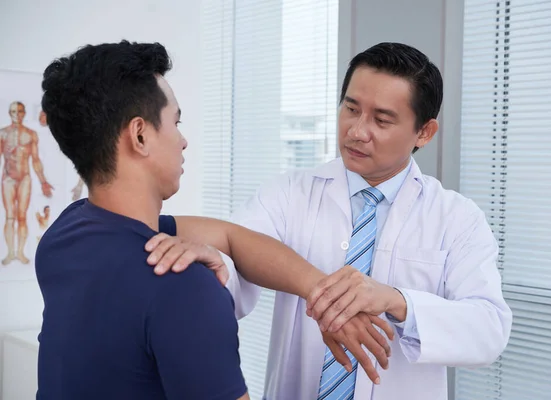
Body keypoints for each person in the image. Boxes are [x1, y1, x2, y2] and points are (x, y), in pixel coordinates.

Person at [150, 42, 513, 400]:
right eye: (351, 109)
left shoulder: (456, 218)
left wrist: (396, 300)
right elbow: (230, 264)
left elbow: (489, 330)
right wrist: (202, 264)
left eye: (382, 120)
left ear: (425, 132)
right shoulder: (288, 194)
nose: (357, 130)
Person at [35, 40, 392, 400]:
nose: (183, 140)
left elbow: (230, 236)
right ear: (140, 135)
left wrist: (324, 294)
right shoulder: (183, 286)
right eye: (175, 122)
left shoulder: (65, 234)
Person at [0, 101, 53, 265]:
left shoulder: (31, 134)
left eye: (20, 111)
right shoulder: (2, 134)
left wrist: (43, 182)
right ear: (10, 114)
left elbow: (36, 160)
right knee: (9, 216)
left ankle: (21, 253)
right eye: (13, 112)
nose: (17, 115)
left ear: (24, 113)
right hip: (8, 178)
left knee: (22, 217)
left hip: (25, 178)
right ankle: (9, 253)